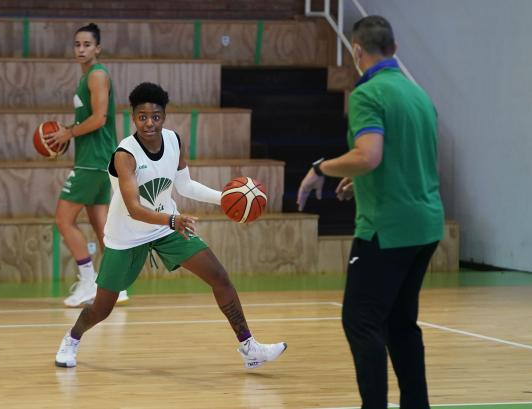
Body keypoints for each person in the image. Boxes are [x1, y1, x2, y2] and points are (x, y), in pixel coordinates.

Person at [55, 82, 287, 369]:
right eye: (142, 117)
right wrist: (173, 220)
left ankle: (249, 347)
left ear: (164, 116)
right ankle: (72, 338)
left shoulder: (174, 141)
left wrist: (226, 199)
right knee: (102, 308)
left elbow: (185, 185)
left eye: (155, 116)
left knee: (220, 277)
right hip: (127, 235)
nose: (149, 123)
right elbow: (134, 208)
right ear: (133, 117)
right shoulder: (124, 155)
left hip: (165, 227)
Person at [297, 16, 444, 409]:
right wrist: (358, 180)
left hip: (386, 229)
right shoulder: (418, 95)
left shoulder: (368, 94)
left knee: (360, 320)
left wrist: (320, 170)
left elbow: (369, 155)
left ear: (357, 51)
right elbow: (408, 158)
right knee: (400, 323)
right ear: (394, 49)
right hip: (425, 226)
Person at [44, 22, 128, 307]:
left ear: (98, 48)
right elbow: (89, 121)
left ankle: (88, 280)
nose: (81, 49)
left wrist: (68, 132)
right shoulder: (89, 77)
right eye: (77, 44)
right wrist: (68, 130)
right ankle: (117, 285)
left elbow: (100, 118)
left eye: (87, 45)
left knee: (63, 220)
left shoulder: (97, 75)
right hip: (99, 159)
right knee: (102, 227)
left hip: (92, 162)